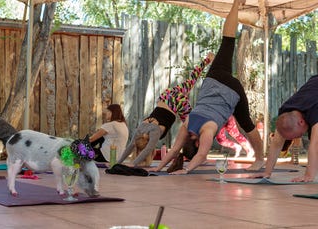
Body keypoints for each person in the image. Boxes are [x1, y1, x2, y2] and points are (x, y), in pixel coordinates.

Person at [149, 0, 264, 175]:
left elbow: (202, 155)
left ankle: (260, 159)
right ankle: (235, 4)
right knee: (227, 40)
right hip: (214, 79)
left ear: (196, 143)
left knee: (247, 124)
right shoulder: (187, 124)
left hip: (232, 90)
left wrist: (185, 171)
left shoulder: (208, 130)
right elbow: (173, 151)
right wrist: (157, 168)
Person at [116, 52, 214, 167]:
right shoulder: (141, 129)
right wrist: (118, 163)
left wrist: (133, 163)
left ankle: (201, 156)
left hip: (177, 102)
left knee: (193, 129)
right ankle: (206, 60)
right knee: (191, 81)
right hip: (166, 96)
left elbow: (146, 149)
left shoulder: (155, 132)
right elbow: (131, 146)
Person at [253, 74, 318, 182]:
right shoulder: (286, 112)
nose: (300, 137)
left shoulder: (314, 111)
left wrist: (309, 175)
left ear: (301, 122)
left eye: (300, 135)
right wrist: (267, 172)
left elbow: (315, 145)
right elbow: (276, 143)